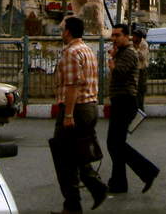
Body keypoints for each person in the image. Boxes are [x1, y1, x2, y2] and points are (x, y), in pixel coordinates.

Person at [49, 16, 107, 214]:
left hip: (76, 109)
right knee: (78, 153)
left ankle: (74, 203)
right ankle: (93, 189)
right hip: (89, 106)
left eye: (62, 29)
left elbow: (72, 86)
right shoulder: (87, 50)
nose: (61, 32)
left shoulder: (72, 53)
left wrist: (68, 115)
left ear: (68, 32)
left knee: (63, 157)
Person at [105, 24, 159, 195]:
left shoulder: (128, 53)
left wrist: (112, 61)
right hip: (119, 100)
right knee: (115, 144)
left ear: (126, 36)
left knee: (115, 144)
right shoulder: (122, 52)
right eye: (112, 35)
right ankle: (119, 183)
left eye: (117, 35)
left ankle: (147, 171)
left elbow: (119, 73)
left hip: (125, 101)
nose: (114, 38)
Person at [131, 28, 149, 110]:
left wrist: (137, 49)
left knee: (141, 90)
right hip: (133, 70)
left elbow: (142, 57)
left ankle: (140, 108)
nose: (133, 38)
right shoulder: (132, 44)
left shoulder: (143, 44)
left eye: (135, 36)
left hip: (141, 70)